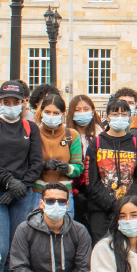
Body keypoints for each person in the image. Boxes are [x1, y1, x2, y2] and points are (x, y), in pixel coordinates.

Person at [0, 79, 46, 268]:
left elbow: (36, 163)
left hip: (22, 194)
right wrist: (9, 182)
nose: (11, 106)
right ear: (0, 102)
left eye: (16, 102)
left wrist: (21, 186)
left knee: (18, 248)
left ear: (23, 102)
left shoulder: (30, 128)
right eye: (6, 102)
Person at [83, 98, 137, 239]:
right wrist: (111, 204)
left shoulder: (136, 144)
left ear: (130, 116)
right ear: (107, 117)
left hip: (129, 208)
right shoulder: (97, 143)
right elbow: (91, 180)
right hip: (100, 209)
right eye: (115, 114)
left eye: (124, 114)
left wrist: (125, 202)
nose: (120, 117)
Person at [35, 91, 85, 222]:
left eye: (55, 113)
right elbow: (27, 165)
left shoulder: (71, 135)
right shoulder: (34, 132)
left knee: (65, 231)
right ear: (41, 113)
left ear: (62, 115)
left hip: (63, 193)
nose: (51, 116)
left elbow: (79, 168)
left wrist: (68, 168)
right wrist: (43, 166)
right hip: (38, 193)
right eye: (47, 112)